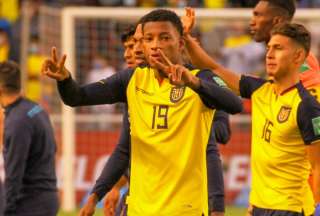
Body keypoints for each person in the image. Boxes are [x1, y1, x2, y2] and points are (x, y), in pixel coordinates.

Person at [42, 9, 243, 216]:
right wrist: (64, 80)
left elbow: (235, 105)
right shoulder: (131, 79)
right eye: (149, 39)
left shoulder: (200, 78)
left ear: (180, 43)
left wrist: (193, 83)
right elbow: (77, 98)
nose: (155, 45)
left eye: (164, 38)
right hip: (140, 209)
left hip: (185, 209)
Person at [185, 19, 320, 215]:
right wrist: (186, 38)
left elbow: (317, 168)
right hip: (258, 207)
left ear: (298, 56)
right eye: (269, 48)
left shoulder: (307, 107)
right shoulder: (259, 90)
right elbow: (214, 69)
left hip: (290, 209)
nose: (270, 55)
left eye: (278, 48)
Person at [99, 23, 230, 216]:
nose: (131, 52)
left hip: (182, 197)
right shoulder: (134, 85)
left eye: (136, 44)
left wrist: (184, 126)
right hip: (141, 194)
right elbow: (126, 148)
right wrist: (115, 187)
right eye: (129, 46)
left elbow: (221, 135)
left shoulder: (199, 83)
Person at [0, 61, 59, 215]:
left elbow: (14, 173)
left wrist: (7, 210)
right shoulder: (36, 108)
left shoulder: (16, 121)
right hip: (47, 198)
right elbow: (54, 148)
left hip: (30, 204)